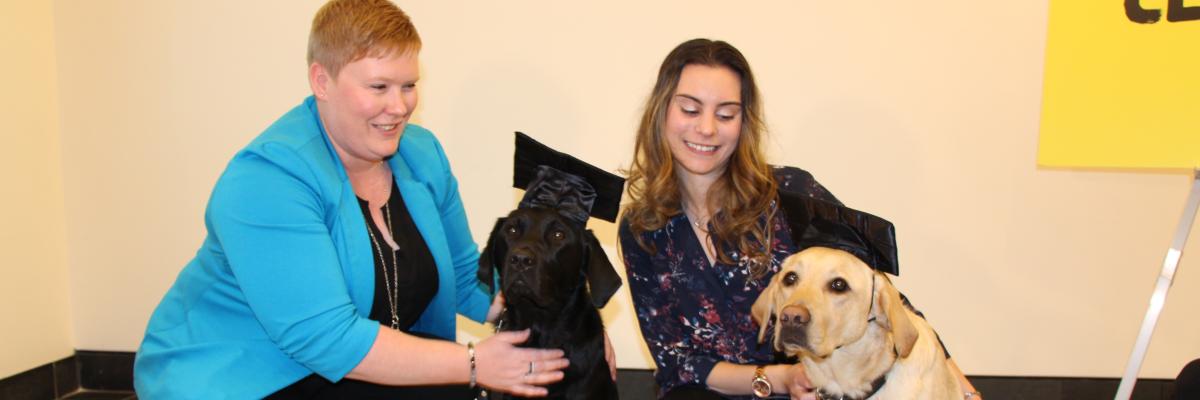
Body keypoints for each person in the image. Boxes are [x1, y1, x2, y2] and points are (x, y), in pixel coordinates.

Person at [133, 1, 568, 398]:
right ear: (322, 80)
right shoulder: (267, 179)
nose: (399, 107)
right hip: (243, 378)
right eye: (379, 87)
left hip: (350, 367)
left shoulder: (422, 154)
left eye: (408, 85)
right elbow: (324, 337)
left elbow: (462, 275)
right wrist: (474, 363)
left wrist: (567, 311)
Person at [618, 38, 980, 399]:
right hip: (712, 393)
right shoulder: (642, 228)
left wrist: (961, 388)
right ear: (662, 111)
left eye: (726, 114)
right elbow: (676, 361)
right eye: (690, 110)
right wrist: (778, 378)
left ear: (743, 122)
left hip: (810, 391)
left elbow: (877, 288)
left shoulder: (791, 191)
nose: (708, 128)